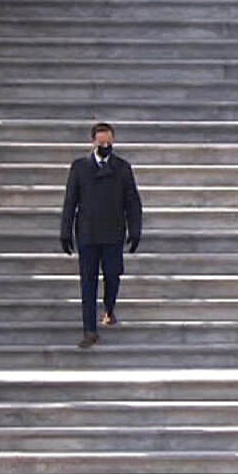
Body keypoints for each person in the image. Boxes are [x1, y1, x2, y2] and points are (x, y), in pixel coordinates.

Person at [60, 123, 144, 348]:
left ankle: (109, 307)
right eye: (101, 143)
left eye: (109, 143)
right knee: (88, 283)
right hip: (87, 234)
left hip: (113, 234)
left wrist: (135, 229)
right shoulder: (80, 168)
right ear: (92, 143)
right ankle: (90, 330)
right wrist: (65, 231)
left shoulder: (122, 168)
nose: (105, 146)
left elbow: (132, 201)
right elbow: (70, 201)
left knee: (113, 275)